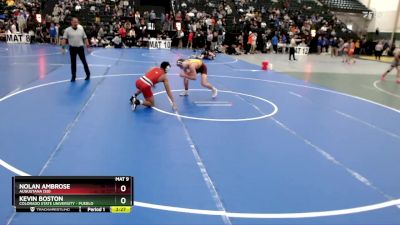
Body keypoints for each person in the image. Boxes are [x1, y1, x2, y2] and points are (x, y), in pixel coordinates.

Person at [61, 17, 91, 82]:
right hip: (72, 48)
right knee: (73, 63)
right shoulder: (67, 30)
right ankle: (73, 76)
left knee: (84, 61)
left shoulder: (81, 29)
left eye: (77, 22)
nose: (76, 23)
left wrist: (88, 47)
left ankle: (88, 74)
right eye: (74, 22)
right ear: (71, 22)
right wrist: (63, 48)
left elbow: (85, 38)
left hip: (80, 47)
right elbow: (64, 39)